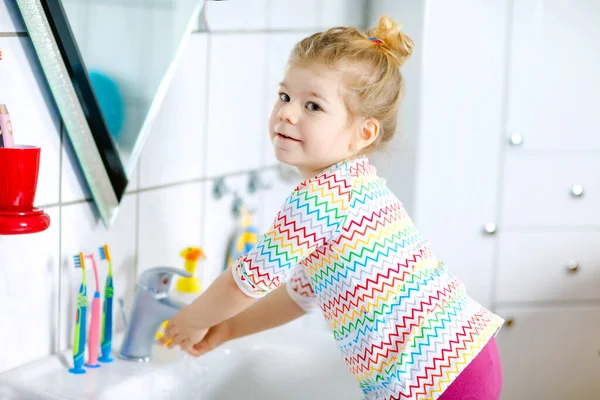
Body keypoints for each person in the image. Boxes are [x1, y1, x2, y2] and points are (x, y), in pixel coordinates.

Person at [158, 15, 504, 400]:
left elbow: (247, 281)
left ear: (363, 134)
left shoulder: (321, 197)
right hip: (459, 357)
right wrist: (229, 328)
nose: (287, 113)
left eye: (313, 106)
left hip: (434, 374)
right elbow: (299, 294)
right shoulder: (352, 186)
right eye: (285, 97)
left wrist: (192, 320)